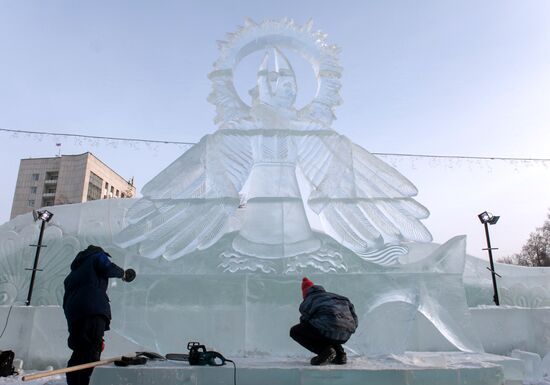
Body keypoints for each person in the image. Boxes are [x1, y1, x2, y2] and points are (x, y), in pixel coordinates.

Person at [62, 245, 136, 385]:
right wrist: (124, 274)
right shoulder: (96, 256)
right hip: (92, 308)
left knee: (80, 350)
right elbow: (107, 267)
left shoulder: (72, 275)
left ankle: (74, 382)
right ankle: (86, 382)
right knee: (92, 348)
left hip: (74, 314)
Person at [290, 277, 358, 365]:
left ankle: (324, 351)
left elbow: (304, 321)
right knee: (328, 326)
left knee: (296, 331)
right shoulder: (341, 298)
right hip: (347, 332)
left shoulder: (310, 299)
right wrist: (350, 328)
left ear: (305, 293)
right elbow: (354, 317)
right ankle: (340, 356)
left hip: (328, 328)